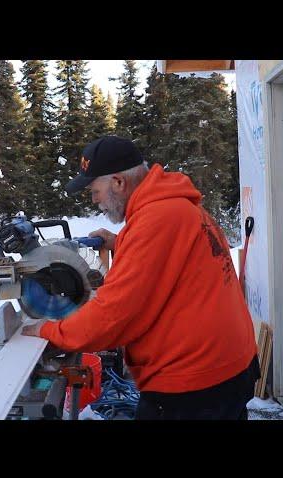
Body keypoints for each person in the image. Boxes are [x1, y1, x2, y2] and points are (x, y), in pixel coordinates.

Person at [22, 135, 259, 420]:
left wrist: (48, 331)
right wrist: (119, 242)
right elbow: (170, 255)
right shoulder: (174, 206)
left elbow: (110, 318)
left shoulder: (155, 220)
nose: (94, 200)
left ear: (119, 182)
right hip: (228, 365)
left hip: (194, 385)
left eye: (94, 190)